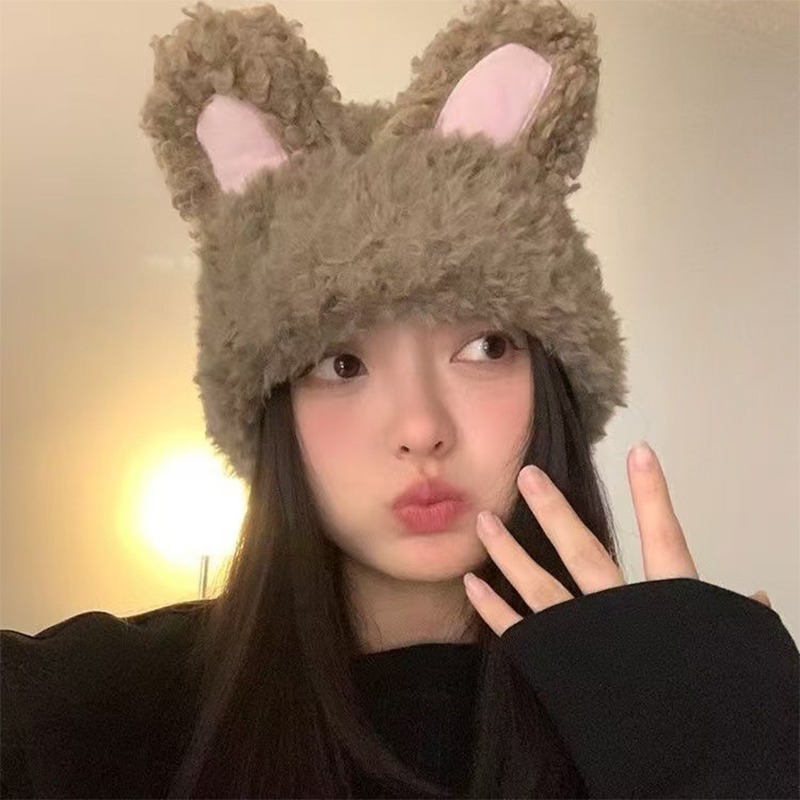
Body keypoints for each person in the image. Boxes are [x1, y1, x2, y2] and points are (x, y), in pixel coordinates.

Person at [1, 0, 797, 798]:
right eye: (342, 363)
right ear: (271, 408)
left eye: (485, 348)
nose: (420, 428)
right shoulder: (91, 708)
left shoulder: (698, 703)